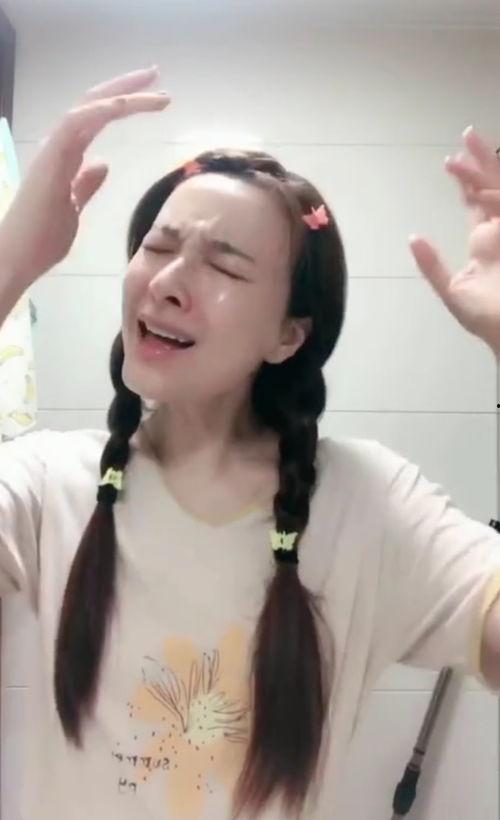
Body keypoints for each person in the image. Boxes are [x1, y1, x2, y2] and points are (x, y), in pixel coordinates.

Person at [0, 65, 500, 820]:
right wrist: (10, 262)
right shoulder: (45, 484)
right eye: (157, 246)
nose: (166, 282)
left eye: (224, 265)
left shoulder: (372, 507)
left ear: (289, 335)